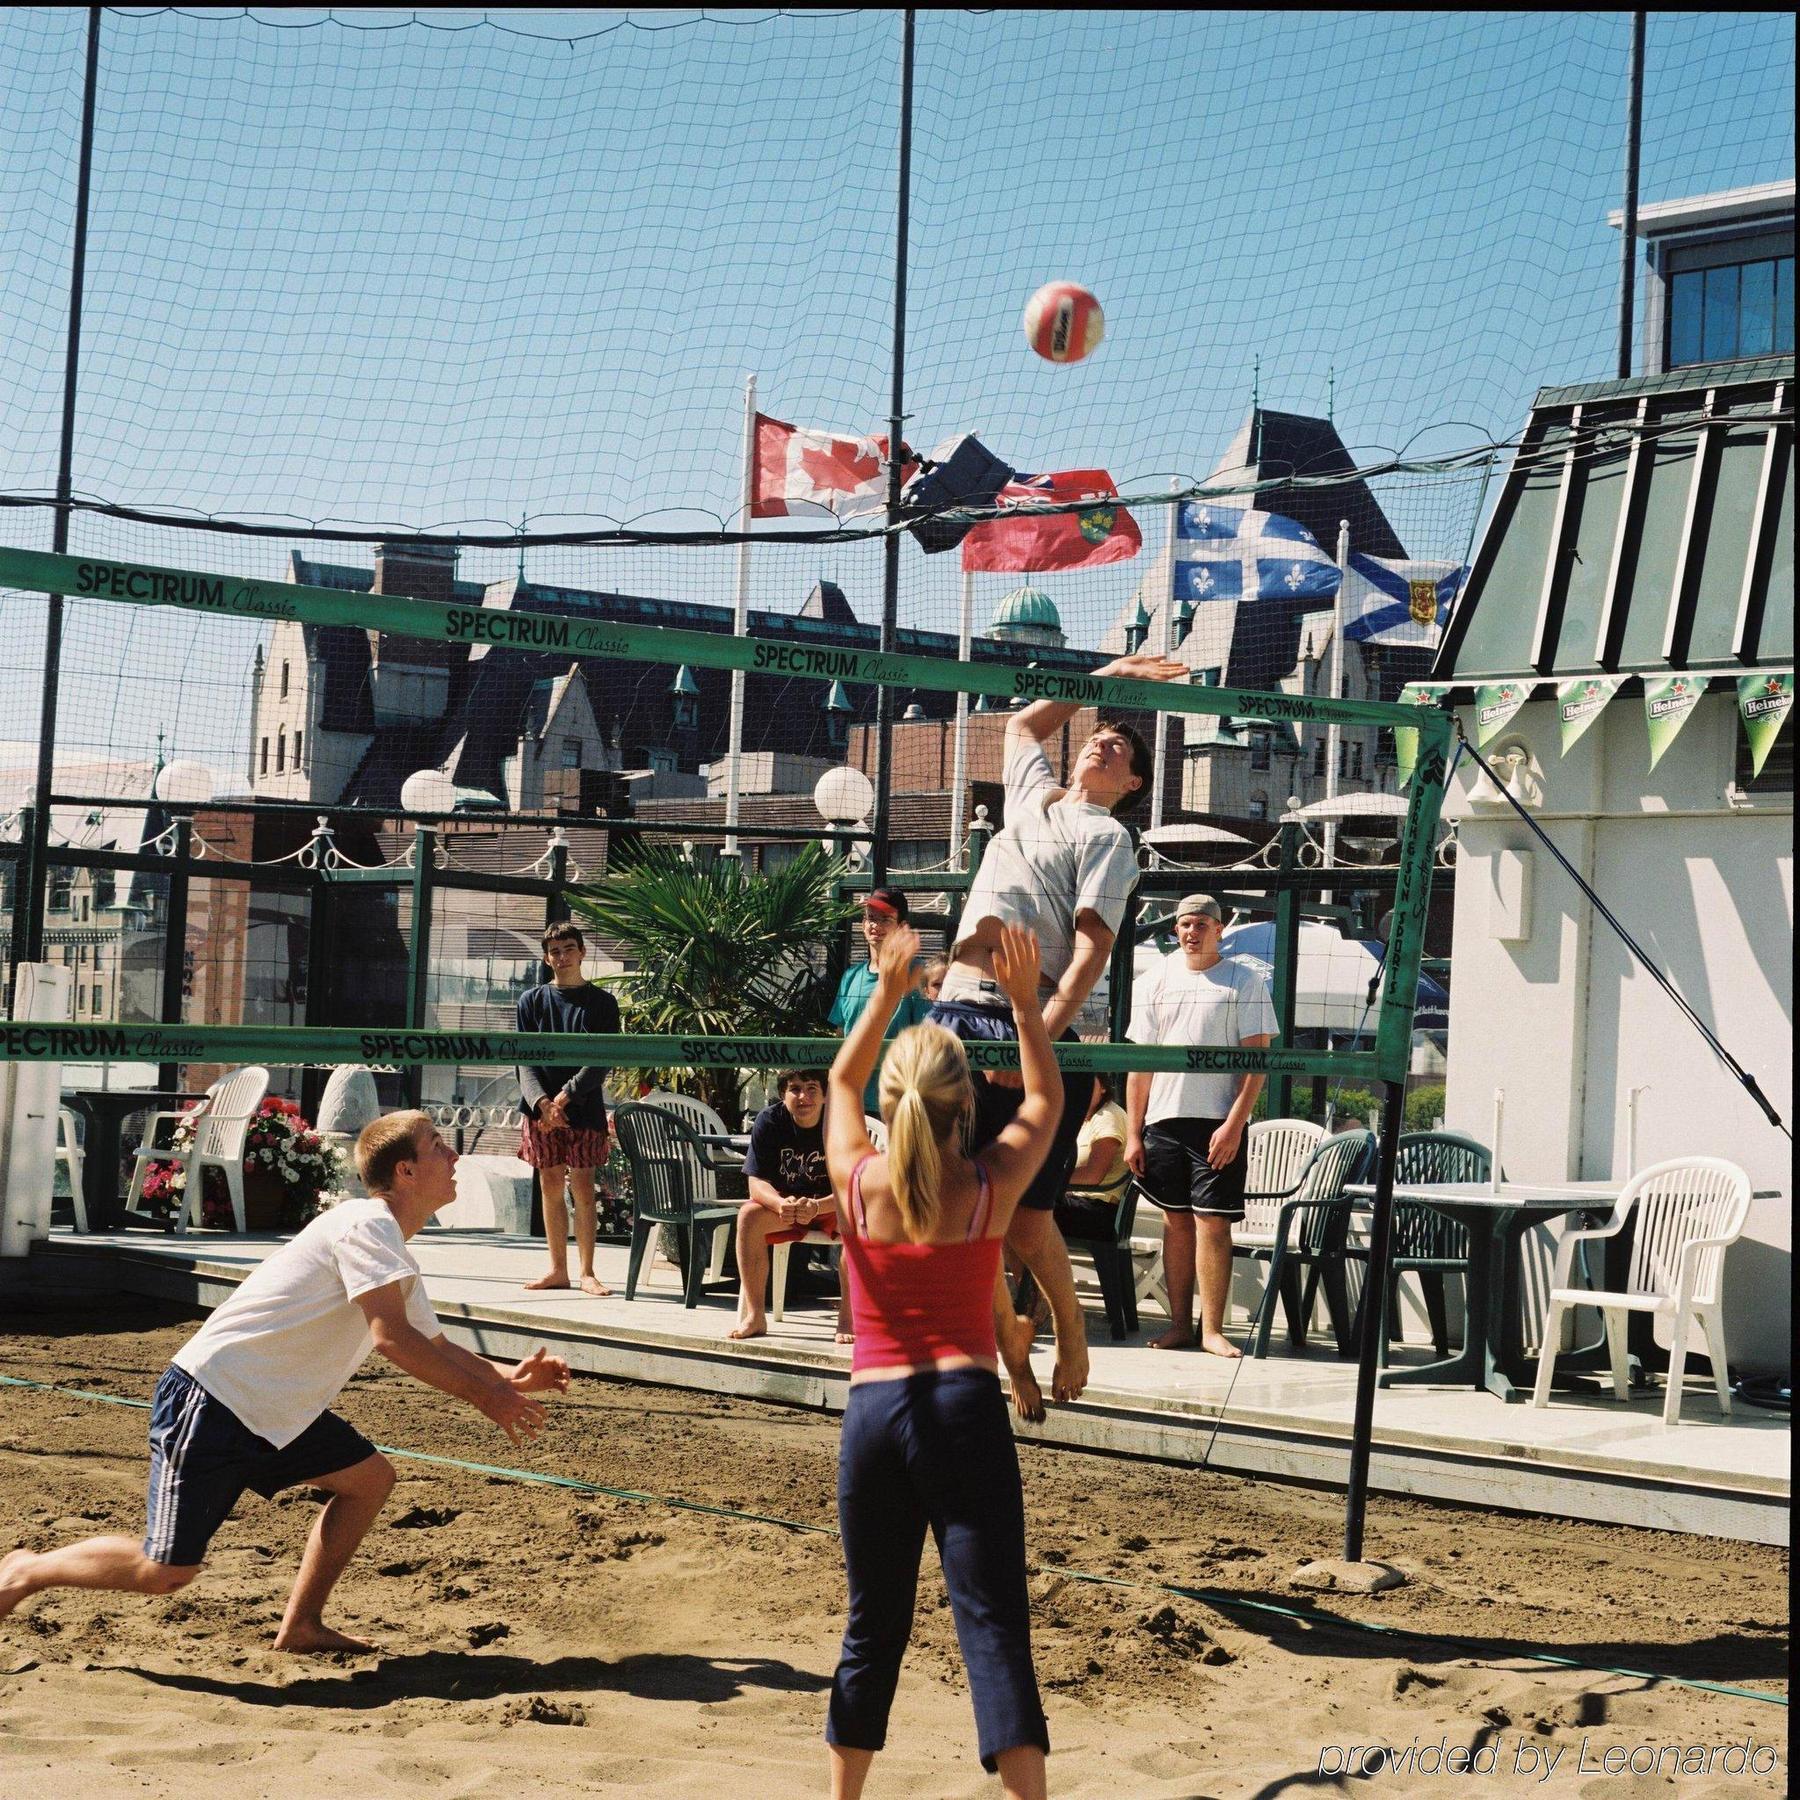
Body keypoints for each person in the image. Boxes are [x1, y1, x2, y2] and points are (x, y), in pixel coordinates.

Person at [0, 1112, 570, 1650]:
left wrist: (512, 1379)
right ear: (406, 1171)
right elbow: (393, 1340)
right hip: (216, 1399)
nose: (455, 1157)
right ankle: (27, 1568)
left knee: (369, 1480)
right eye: (439, 1147)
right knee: (166, 1572)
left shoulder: (392, 1248)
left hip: (275, 1411)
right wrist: (488, 1396)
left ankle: (302, 1624)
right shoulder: (365, 1223)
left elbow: (436, 1345)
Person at [824, 920, 1058, 1800]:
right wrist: (1028, 1010)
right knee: (993, 1626)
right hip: (963, 1409)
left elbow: (843, 1076)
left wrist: (888, 992)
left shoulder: (857, 1182)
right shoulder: (989, 1185)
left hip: (875, 1417)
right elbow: (1043, 1104)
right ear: (967, 1107)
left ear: (893, 1106)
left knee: (871, 1627)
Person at [927, 652, 1185, 1419]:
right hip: (960, 1010)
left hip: (1033, 1023)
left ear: (1132, 784)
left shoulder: (1108, 836)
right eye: (1098, 736)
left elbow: (1091, 954)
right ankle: (1012, 1350)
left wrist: (1031, 1042)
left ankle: (1068, 1328)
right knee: (949, 1206)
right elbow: (1021, 719)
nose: (1104, 744)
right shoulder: (1030, 795)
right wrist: (1106, 676)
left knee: (1022, 1219)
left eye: (1122, 751)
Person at [1124, 895, 1275, 1356]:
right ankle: (1179, 1326)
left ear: (1220, 929)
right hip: (1163, 1120)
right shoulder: (1154, 978)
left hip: (1217, 1123)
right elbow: (1140, 1064)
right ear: (1176, 931)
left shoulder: (1244, 981)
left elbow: (1258, 1060)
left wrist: (1235, 1125)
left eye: (1202, 924)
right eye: (1185, 924)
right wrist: (1133, 1132)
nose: (1192, 932)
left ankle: (1211, 1329)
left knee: (1213, 1223)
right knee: (1175, 1222)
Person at [517, 920, 622, 1295]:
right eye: (555, 951)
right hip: (541, 1111)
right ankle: (557, 1269)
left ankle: (587, 1272)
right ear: (547, 957)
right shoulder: (530, 1001)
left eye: (568, 949)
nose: (562, 957)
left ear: (582, 951)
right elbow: (522, 1059)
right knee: (549, 1184)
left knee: (582, 1186)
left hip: (583, 1106)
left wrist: (565, 1097)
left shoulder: (603, 1003)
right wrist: (542, 1103)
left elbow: (601, 1057)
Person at [729, 1069, 851, 1344]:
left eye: (811, 1088)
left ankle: (848, 1318)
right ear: (783, 1094)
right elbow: (756, 1181)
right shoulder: (770, 1120)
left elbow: (854, 1186)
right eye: (795, 1089)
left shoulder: (840, 1122)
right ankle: (756, 1315)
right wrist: (780, 1203)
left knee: (858, 1219)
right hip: (788, 1205)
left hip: (832, 1204)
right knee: (749, 1215)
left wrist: (819, 1206)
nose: (803, 1096)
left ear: (824, 1095)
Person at [828, 889, 932, 1114]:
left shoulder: (916, 971)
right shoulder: (850, 977)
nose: (875, 925)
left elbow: (928, 1036)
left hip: (900, 1102)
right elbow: (839, 1034)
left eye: (885, 919)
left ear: (901, 925)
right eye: (870, 918)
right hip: (851, 1099)